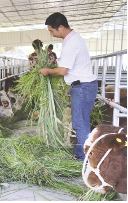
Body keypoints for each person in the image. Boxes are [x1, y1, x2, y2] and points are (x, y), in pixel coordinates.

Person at [38, 12, 98, 161]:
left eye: (52, 30)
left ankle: (85, 159)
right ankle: (80, 153)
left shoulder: (71, 43)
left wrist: (47, 71)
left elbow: (63, 70)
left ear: (61, 27)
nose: (51, 34)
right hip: (85, 86)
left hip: (82, 87)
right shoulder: (72, 40)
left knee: (79, 123)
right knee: (82, 122)